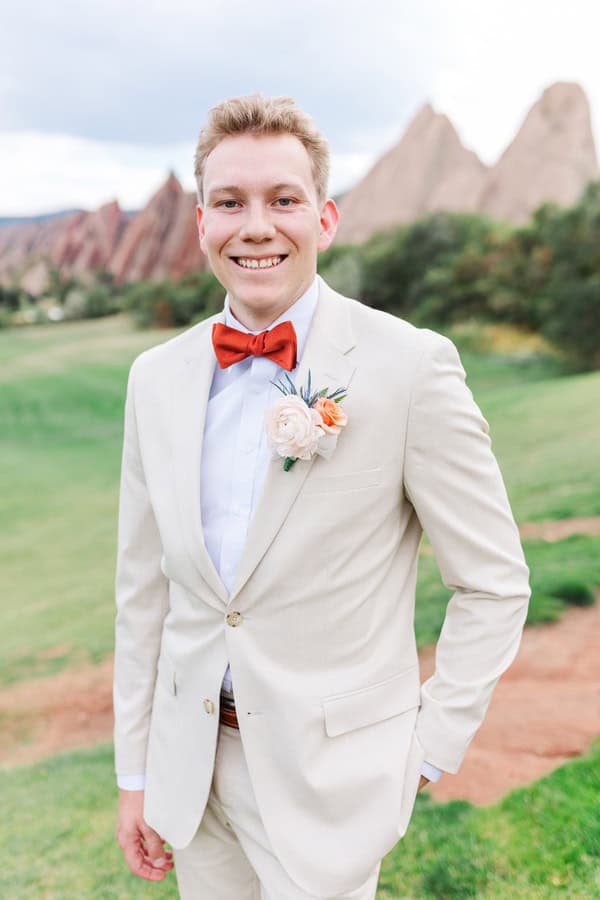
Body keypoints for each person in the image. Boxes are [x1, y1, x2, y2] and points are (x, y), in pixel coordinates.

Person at [113, 94, 531, 900]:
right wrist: (137, 772)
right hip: (190, 777)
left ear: (325, 219)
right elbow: (143, 596)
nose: (256, 226)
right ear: (202, 222)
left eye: (283, 200)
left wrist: (427, 746)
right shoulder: (154, 379)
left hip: (335, 780)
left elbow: (494, 581)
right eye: (230, 202)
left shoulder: (410, 366)